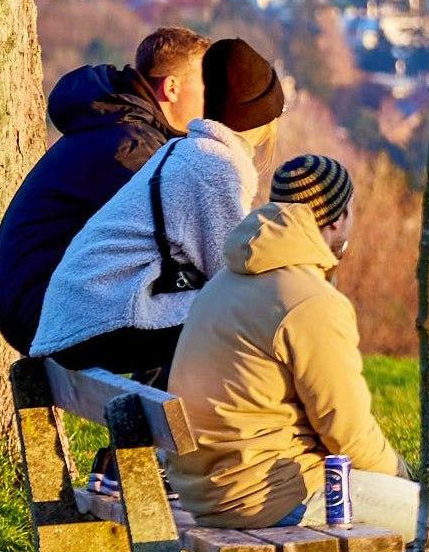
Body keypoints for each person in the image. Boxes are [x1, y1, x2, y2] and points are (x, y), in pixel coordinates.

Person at [165, 154, 429, 552]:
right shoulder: (309, 301)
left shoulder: (231, 276)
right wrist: (404, 479)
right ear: (339, 217)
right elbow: (347, 432)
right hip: (263, 494)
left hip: (205, 486)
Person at [31, 38, 287, 385]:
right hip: (95, 326)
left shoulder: (185, 150)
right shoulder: (216, 165)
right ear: (263, 117)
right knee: (241, 319)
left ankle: (174, 429)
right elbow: (228, 272)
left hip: (73, 321)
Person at [0, 26, 204, 356]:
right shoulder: (130, 146)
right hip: (46, 315)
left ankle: (157, 405)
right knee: (216, 315)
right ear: (172, 88)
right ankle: (158, 407)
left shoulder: (119, 126)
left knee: (200, 307)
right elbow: (169, 244)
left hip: (41, 308)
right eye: (207, 85)